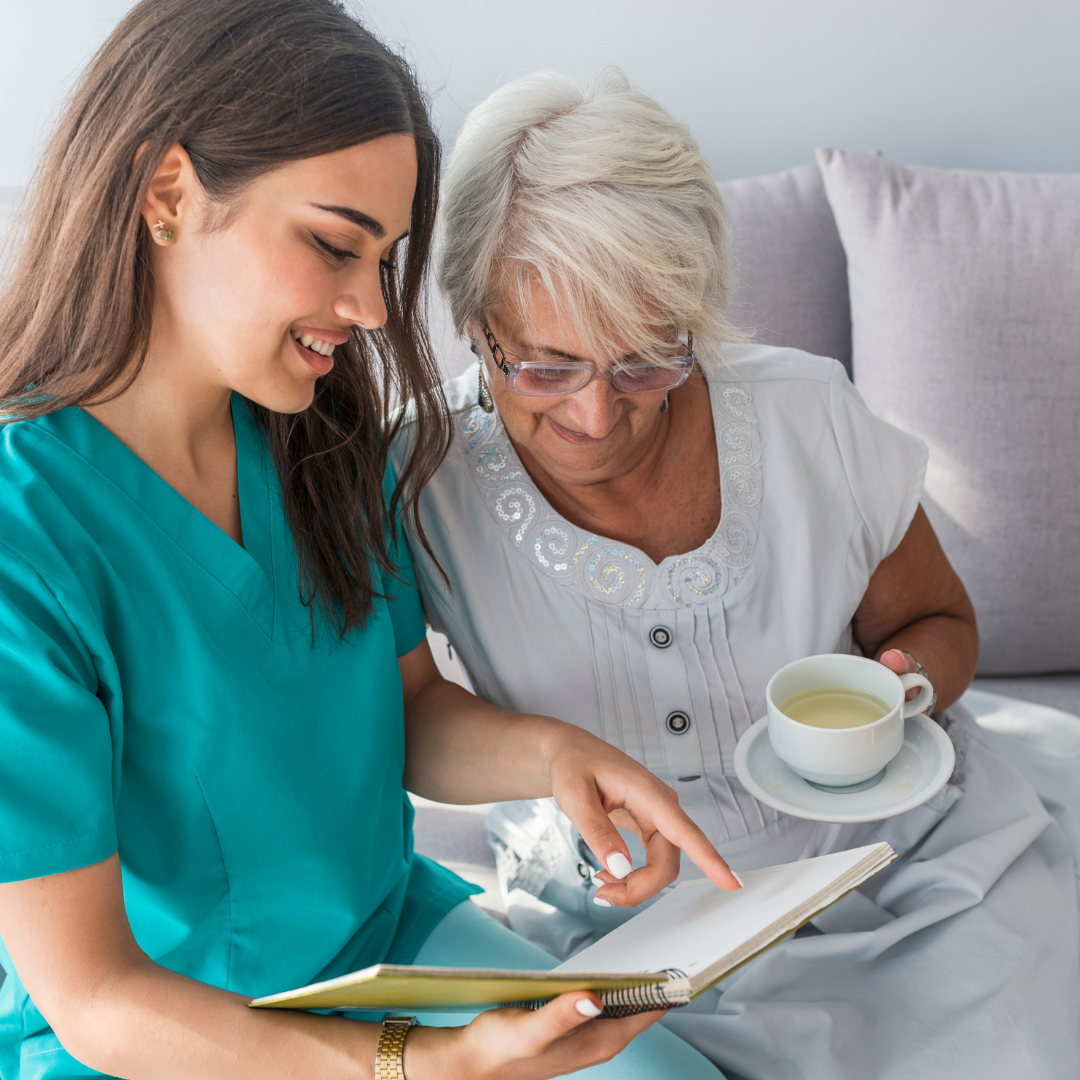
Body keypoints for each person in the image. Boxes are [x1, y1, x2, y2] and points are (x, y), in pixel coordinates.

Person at [0, 8, 739, 1079]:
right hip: (170, 1036)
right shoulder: (25, 535)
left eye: (384, 259)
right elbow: (96, 998)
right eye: (334, 245)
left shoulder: (324, 437)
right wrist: (424, 1065)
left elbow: (408, 710)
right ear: (168, 194)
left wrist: (558, 758)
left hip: (387, 953)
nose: (370, 307)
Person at [392, 69, 1080, 1079]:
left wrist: (905, 690)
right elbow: (407, 721)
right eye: (542, 366)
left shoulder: (807, 417)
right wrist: (552, 759)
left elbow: (940, 621)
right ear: (468, 316)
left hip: (907, 874)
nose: (595, 414)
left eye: (645, 361)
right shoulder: (415, 477)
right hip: (630, 926)